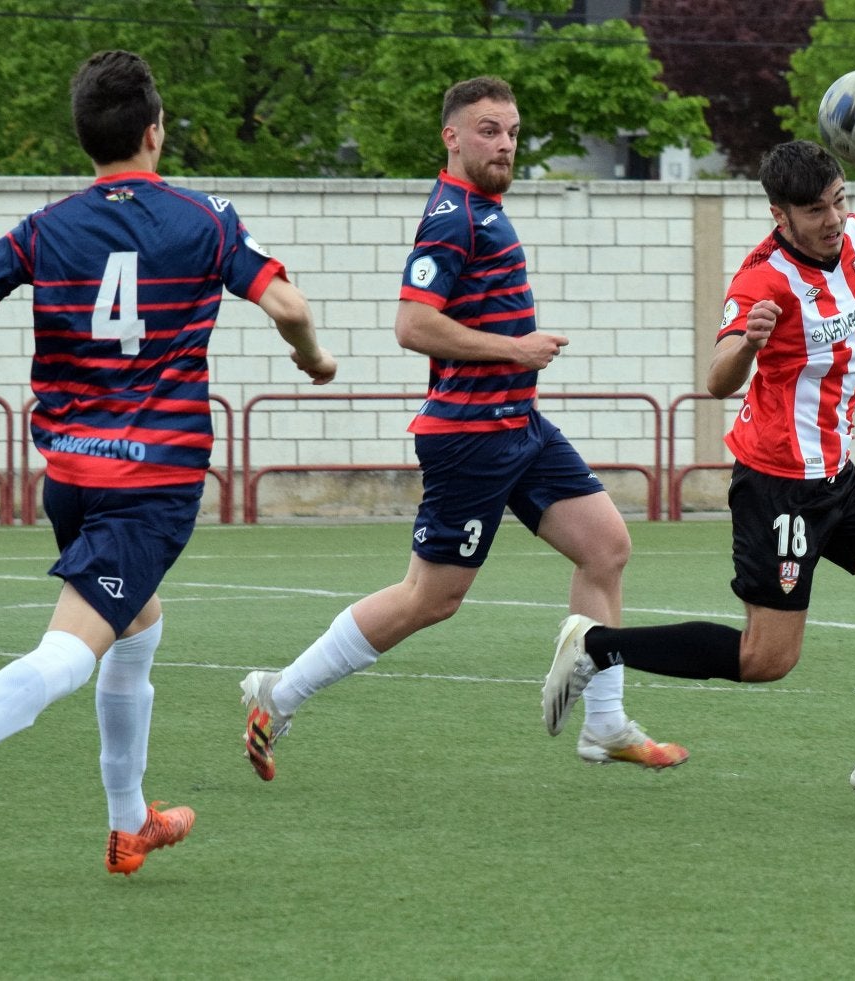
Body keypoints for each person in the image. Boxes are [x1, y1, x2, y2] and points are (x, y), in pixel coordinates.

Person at [0, 50, 337, 875]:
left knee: (140, 625)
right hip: (151, 483)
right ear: (156, 132)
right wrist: (314, 359)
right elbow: (290, 305)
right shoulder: (207, 220)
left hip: (73, 477)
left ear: (87, 140)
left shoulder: (44, 228)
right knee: (71, 648)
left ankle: (131, 825)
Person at [543, 140, 855, 810]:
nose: (833, 218)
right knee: (769, 659)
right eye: (815, 209)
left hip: (838, 478)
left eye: (839, 199)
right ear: (780, 215)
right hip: (778, 486)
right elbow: (716, 380)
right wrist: (751, 342)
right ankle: (595, 643)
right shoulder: (762, 279)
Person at [239, 76, 685, 780]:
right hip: (472, 436)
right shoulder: (454, 217)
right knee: (432, 599)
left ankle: (604, 724)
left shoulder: (484, 209)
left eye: (510, 131)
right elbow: (412, 325)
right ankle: (280, 691)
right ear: (451, 136)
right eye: (487, 130)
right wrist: (516, 347)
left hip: (520, 425)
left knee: (606, 547)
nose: (503, 143)